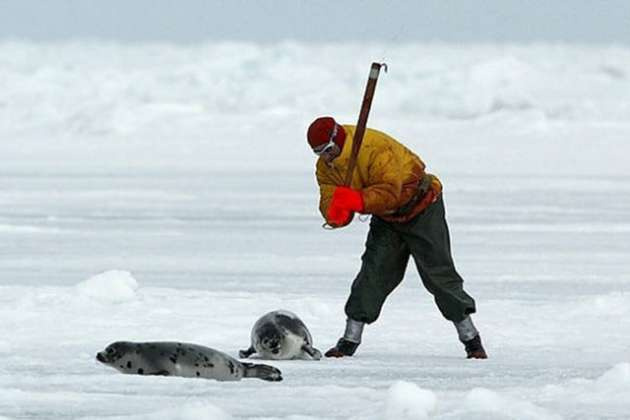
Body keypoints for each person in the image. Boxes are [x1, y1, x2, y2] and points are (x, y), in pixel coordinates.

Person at [307, 116, 487, 359]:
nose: (325, 157)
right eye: (319, 153)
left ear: (337, 139)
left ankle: (471, 340)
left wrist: (358, 200)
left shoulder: (374, 149)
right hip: (387, 219)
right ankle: (349, 340)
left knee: (439, 276)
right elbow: (329, 197)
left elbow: (391, 192)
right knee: (373, 273)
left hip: (422, 207)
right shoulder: (326, 168)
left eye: (328, 150)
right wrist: (335, 214)